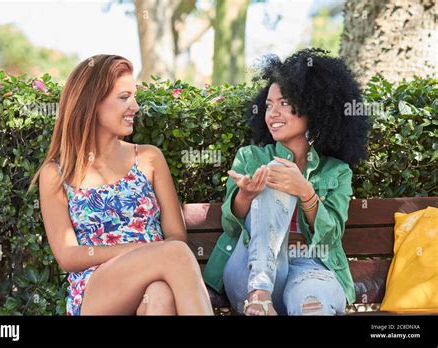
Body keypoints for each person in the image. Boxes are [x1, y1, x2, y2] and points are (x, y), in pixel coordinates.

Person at [31, 54, 213, 315]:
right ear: (93, 103)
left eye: (134, 97)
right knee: (175, 254)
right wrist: (138, 251)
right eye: (124, 97)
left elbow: (176, 235)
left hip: (157, 276)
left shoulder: (149, 158)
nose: (135, 107)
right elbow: (68, 256)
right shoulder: (57, 172)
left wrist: (151, 257)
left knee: (160, 295)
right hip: (97, 289)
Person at [203, 48, 370, 315]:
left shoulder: (337, 171)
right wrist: (245, 196)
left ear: (313, 108)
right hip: (250, 270)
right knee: (274, 172)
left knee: (311, 306)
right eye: (269, 105)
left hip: (310, 267)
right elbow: (230, 226)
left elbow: (331, 234)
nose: (272, 113)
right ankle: (259, 294)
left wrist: (306, 193)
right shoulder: (251, 157)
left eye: (284, 103)